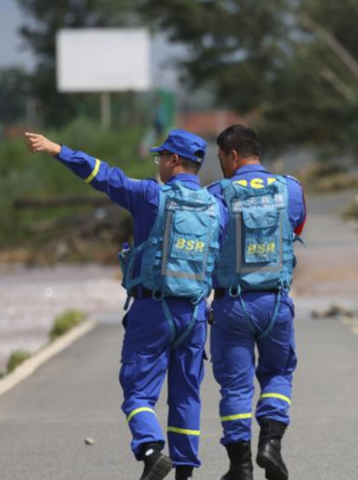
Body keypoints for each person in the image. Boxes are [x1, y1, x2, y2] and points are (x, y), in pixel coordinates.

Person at [25, 129, 226, 480]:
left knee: (137, 393)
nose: (158, 164)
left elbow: (103, 175)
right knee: (186, 396)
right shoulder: (216, 206)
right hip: (195, 312)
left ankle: (150, 450)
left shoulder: (151, 196)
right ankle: (185, 473)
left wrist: (59, 150)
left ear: (174, 160)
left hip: (153, 309)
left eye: (160, 157)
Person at [207, 125, 306, 480]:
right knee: (278, 373)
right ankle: (272, 444)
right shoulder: (290, 188)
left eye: (220, 159)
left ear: (233, 155)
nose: (220, 166)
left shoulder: (217, 193)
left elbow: (208, 240)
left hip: (232, 306)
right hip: (276, 303)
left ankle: (240, 466)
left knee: (235, 387)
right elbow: (294, 229)